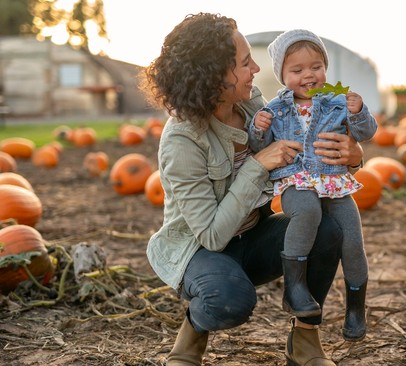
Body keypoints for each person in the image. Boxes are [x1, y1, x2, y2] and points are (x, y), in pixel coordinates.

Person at [140, 13, 364, 366]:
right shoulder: (182, 139)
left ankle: (305, 342)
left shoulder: (251, 104)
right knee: (229, 301)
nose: (256, 68)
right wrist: (259, 165)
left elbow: (303, 150)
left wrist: (353, 156)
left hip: (253, 236)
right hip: (201, 251)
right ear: (214, 76)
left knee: (328, 227)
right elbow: (211, 236)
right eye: (245, 63)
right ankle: (190, 337)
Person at [248, 29, 377, 342]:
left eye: (316, 66)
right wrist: (258, 128)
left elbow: (366, 132)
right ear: (282, 75)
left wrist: (359, 112)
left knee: (353, 242)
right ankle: (295, 288)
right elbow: (257, 146)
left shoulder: (337, 101)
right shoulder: (275, 110)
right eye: (297, 70)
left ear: (325, 68)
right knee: (306, 213)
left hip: (335, 181)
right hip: (297, 183)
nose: (308, 75)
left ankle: (355, 308)